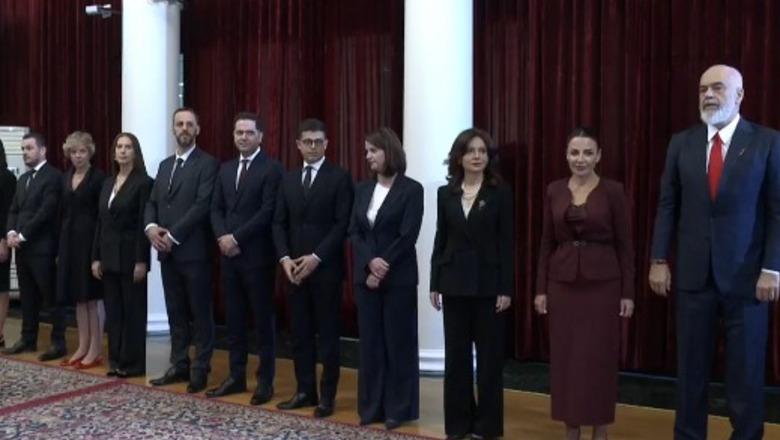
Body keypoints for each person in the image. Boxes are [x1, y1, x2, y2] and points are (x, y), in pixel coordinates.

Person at [649, 64, 780, 440]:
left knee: (745, 372)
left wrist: (773, 267)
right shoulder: (682, 143)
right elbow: (668, 204)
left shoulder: (767, 142)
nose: (708, 95)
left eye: (718, 88)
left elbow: (777, 210)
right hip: (693, 276)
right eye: (703, 89)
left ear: (739, 95)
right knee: (690, 371)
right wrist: (659, 258)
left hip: (748, 278)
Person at [533, 127, 635, 440]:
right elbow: (546, 242)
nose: (581, 159)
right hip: (562, 285)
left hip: (603, 287)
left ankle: (600, 431)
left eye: (588, 153)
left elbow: (625, 245)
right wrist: (540, 289)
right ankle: (571, 429)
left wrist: (628, 293)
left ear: (598, 156)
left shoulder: (613, 191)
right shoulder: (554, 190)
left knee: (598, 360)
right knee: (566, 360)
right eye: (575, 152)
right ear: (566, 155)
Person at [429, 128, 514, 440]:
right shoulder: (445, 193)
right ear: (459, 157)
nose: (477, 156)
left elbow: (507, 243)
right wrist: (434, 282)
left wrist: (506, 288)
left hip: (488, 286)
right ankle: (458, 425)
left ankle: (487, 427)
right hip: (453, 284)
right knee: (456, 359)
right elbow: (441, 239)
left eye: (482, 151)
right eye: (471, 151)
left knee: (489, 361)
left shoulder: (500, 193)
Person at [273, 118, 353, 418]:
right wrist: (284, 258)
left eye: (318, 141)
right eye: (307, 141)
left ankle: (327, 397)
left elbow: (342, 224)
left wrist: (316, 257)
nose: (313, 146)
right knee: (300, 334)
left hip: (325, 270)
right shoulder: (288, 179)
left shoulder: (339, 177)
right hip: (293, 270)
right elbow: (278, 223)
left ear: (326, 144)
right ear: (298, 145)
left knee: (328, 336)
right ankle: (305, 391)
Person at [349, 127, 423, 430]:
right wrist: (370, 263)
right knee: (370, 344)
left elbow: (408, 235)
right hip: (366, 278)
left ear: (389, 151)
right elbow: (355, 232)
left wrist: (382, 266)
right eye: (366, 151)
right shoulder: (362, 189)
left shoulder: (412, 189)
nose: (368, 156)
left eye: (373, 150)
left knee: (398, 343)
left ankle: (398, 408)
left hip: (398, 278)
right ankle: (371, 407)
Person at [207, 112, 283, 405]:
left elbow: (267, 211)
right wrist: (222, 237)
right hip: (228, 257)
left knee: (262, 321)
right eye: (239, 132)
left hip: (257, 256)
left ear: (260, 136)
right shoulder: (225, 169)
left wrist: (236, 238)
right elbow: (215, 209)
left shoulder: (272, 168)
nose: (243, 137)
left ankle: (265, 381)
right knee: (234, 319)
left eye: (249, 132)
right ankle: (236, 376)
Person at [145, 107, 219, 393]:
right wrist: (151, 228)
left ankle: (200, 369)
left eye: (189, 124)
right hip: (167, 253)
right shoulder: (165, 165)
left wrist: (172, 236)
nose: (184, 128)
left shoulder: (208, 164)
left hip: (194, 252)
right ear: (173, 128)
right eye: (179, 124)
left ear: (197, 129)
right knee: (175, 311)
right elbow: (152, 202)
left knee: (200, 313)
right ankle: (179, 364)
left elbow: (202, 205)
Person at [92, 132, 153, 378]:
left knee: (133, 311)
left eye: (128, 147)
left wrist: (141, 260)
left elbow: (142, 225)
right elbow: (100, 222)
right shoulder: (108, 182)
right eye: (119, 146)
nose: (123, 151)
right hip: (108, 256)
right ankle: (115, 360)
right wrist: (96, 257)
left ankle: (133, 363)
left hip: (131, 257)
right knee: (114, 312)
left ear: (135, 152)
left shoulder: (144, 183)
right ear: (114, 152)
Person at [2, 132, 65, 361]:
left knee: (50, 297)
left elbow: (46, 212)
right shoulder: (23, 179)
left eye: (29, 148)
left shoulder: (53, 176)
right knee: (27, 296)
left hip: (43, 248)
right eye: (23, 149)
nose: (25, 153)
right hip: (22, 249)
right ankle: (28, 338)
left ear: (43, 150)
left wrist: (22, 234)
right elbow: (14, 209)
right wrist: (10, 232)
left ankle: (58, 342)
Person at [56, 131, 106, 370]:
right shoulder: (65, 177)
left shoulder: (99, 178)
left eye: (82, 151)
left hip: (90, 241)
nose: (78, 156)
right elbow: (62, 212)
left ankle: (96, 349)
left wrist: (98, 252)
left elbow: (102, 216)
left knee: (92, 297)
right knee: (78, 297)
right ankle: (83, 345)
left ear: (90, 152)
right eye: (74, 152)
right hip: (69, 242)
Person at [0, 139, 15, 348]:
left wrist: (3, 240)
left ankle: (0, 333)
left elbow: (7, 212)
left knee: (1, 287)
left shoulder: (6, 177)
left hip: (0, 239)